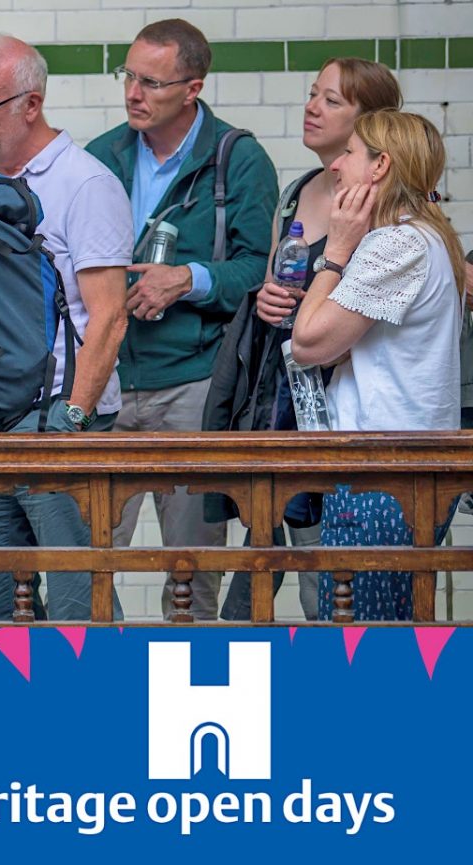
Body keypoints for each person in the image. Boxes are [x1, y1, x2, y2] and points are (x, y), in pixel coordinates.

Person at [85, 18, 279, 620]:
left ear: (193, 88)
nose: (132, 93)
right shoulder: (101, 155)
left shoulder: (238, 159)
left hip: (193, 385)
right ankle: (93, 668)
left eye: (151, 82)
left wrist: (188, 279)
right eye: (128, 76)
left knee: (191, 574)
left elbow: (262, 271)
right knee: (87, 566)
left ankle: (190, 672)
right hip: (105, 384)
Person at [0, 34, 133, 622]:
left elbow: (109, 316)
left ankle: (99, 681)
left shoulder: (85, 184)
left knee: (78, 595)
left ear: (31, 104)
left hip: (60, 413)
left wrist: (72, 420)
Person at [213, 58, 401, 621]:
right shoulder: (298, 190)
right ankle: (244, 651)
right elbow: (278, 276)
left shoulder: (383, 207)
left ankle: (331, 657)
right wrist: (266, 298)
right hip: (281, 391)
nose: (312, 107)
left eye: (332, 100)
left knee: (323, 565)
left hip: (338, 396)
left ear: (372, 123)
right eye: (313, 93)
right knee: (264, 545)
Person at [290, 110, 466, 620]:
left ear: (380, 165)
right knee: (389, 630)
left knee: (360, 639)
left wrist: (336, 251)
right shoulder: (426, 236)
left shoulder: (396, 243)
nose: (336, 165)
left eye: (350, 153)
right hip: (403, 469)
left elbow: (308, 342)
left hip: (381, 472)